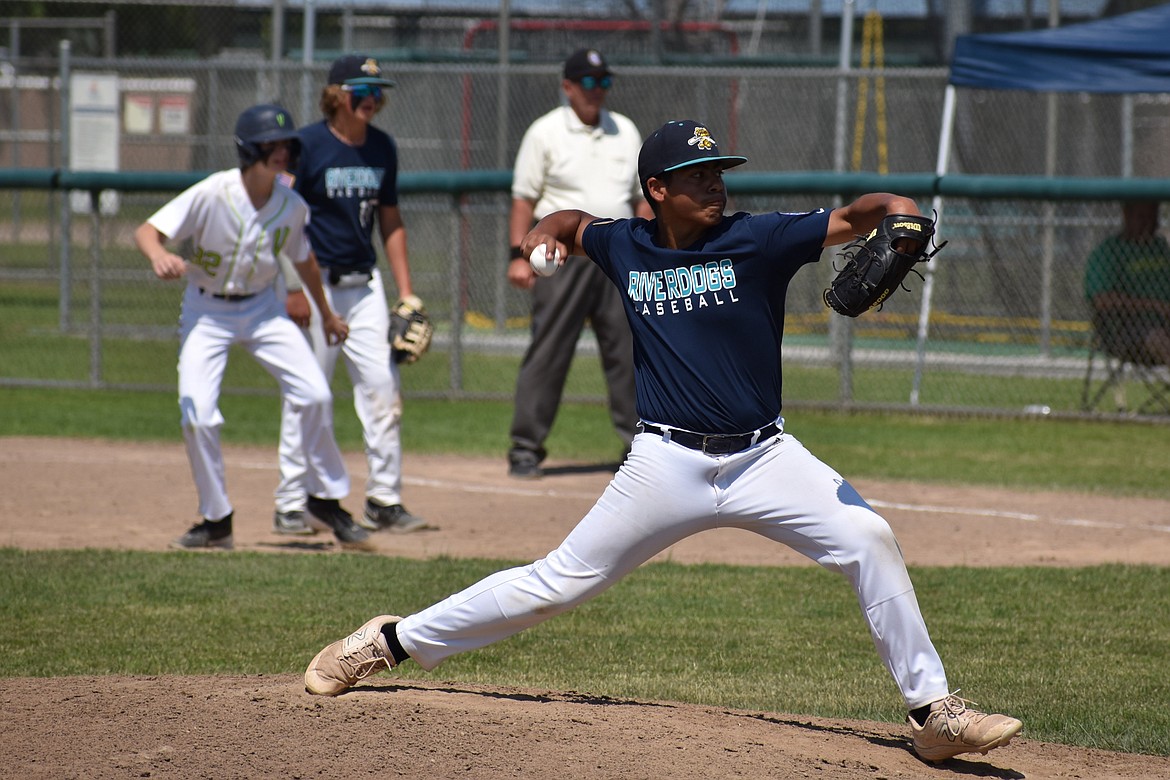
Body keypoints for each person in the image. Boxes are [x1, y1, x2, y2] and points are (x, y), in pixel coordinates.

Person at [303, 120, 1023, 763]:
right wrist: (540, 237)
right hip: (665, 462)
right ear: (657, 189)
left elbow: (855, 214)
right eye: (697, 175)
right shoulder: (630, 243)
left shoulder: (759, 238)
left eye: (718, 172)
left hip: (764, 456)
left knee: (868, 537)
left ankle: (934, 713)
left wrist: (899, 214)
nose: (715, 184)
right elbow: (570, 219)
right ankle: (388, 642)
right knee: (557, 584)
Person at [133, 103, 370, 551]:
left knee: (315, 393)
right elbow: (148, 231)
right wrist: (158, 255)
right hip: (208, 312)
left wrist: (326, 313)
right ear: (248, 148)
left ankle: (322, 499)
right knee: (198, 414)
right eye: (270, 144)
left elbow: (304, 259)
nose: (281, 151)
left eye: (286, 144)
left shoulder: (291, 205)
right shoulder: (213, 192)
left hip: (263, 309)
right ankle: (216, 518)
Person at [272, 54, 431, 537]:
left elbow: (390, 222)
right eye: (363, 91)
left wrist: (407, 293)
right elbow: (282, 216)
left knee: (383, 389)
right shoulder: (306, 145)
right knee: (308, 393)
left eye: (378, 92)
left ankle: (384, 500)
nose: (374, 100)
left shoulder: (382, 146)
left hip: (364, 286)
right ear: (337, 94)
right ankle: (290, 502)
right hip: (315, 284)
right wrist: (295, 288)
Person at [505, 48, 653, 479]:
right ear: (568, 86)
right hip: (560, 255)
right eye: (587, 82)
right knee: (549, 350)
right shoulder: (545, 132)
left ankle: (640, 447)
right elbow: (524, 198)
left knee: (630, 352)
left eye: (603, 81)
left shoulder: (624, 130)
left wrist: (644, 244)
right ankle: (525, 448)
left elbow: (641, 198)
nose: (596, 90)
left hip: (617, 254)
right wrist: (518, 256)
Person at [1084, 199, 1170, 366]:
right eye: (1142, 216)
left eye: (1153, 217)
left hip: (1165, 322)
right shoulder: (1108, 251)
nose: (1150, 223)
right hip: (1124, 328)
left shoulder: (1161, 249)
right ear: (1126, 215)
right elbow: (1102, 301)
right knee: (1160, 339)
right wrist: (1157, 306)